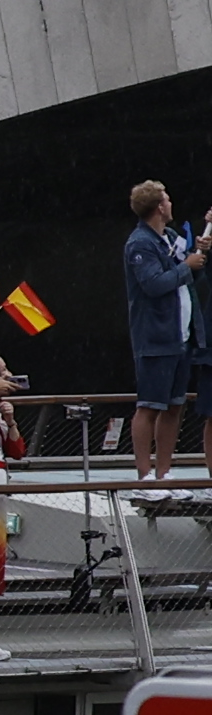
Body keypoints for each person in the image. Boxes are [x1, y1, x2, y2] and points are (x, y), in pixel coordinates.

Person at [131, 180, 196, 487]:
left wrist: (198, 253)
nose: (171, 204)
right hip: (154, 337)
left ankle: (164, 473)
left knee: (174, 405)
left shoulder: (169, 237)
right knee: (149, 405)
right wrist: (187, 268)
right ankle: (145, 476)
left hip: (179, 336)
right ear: (159, 206)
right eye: (167, 199)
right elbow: (154, 284)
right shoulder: (140, 244)